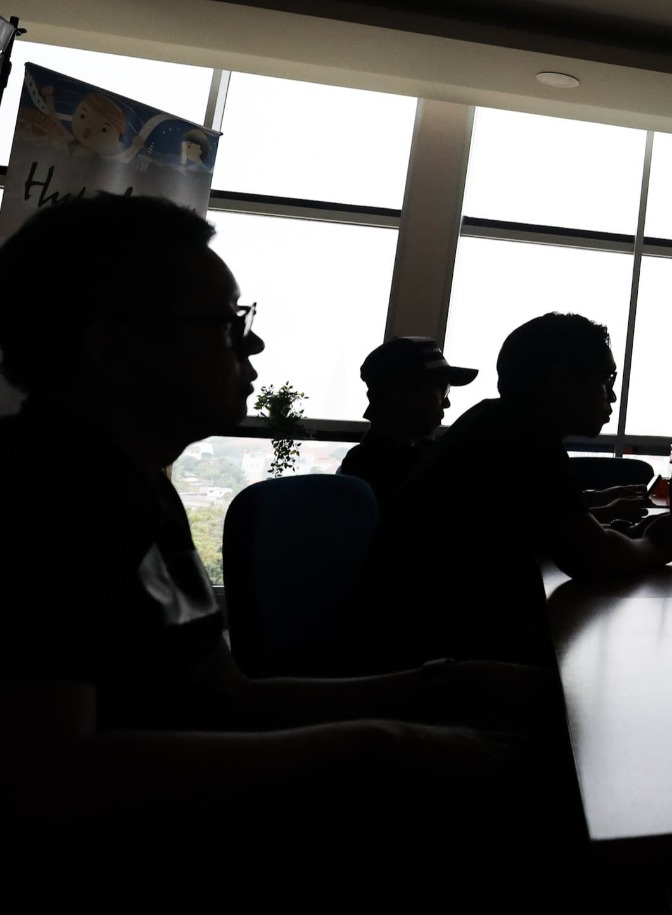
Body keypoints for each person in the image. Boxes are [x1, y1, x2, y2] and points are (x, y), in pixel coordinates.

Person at [0, 195, 570, 873]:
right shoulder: (35, 494)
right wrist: (387, 744)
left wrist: (443, 683)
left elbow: (228, 696)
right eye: (226, 323)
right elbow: (41, 786)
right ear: (112, 347)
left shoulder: (138, 485)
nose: (253, 344)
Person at [359, 312, 672, 669]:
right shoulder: (521, 436)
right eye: (606, 379)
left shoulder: (495, 422)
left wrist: (622, 537)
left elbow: (563, 533)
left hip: (434, 642)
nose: (611, 394)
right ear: (562, 380)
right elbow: (591, 557)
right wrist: (655, 546)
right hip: (433, 664)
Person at [337, 335, 477, 510]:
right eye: (443, 390)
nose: (447, 403)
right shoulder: (392, 472)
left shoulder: (361, 465)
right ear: (404, 392)